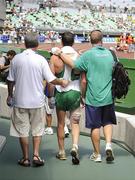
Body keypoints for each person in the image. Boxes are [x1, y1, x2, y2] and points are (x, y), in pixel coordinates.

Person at [53, 30, 116, 163]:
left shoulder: (88, 55)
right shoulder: (111, 54)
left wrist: (60, 53)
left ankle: (97, 154)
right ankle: (109, 145)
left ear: (90, 40)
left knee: (95, 126)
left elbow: (75, 67)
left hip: (93, 97)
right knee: (108, 122)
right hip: (109, 96)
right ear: (102, 40)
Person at [6, 32, 69, 167]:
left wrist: (10, 95)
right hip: (37, 101)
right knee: (37, 130)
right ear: (37, 44)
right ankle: (36, 155)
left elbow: (10, 80)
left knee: (22, 131)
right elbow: (51, 79)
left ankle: (25, 158)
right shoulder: (41, 60)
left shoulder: (16, 59)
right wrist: (62, 82)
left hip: (20, 101)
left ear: (25, 43)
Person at [49, 31, 86, 165]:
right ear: (73, 42)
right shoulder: (78, 57)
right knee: (75, 123)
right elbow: (83, 80)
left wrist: (50, 97)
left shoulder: (54, 58)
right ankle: (75, 146)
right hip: (75, 93)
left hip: (61, 93)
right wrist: (83, 96)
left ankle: (62, 152)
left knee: (60, 124)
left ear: (61, 42)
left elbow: (51, 79)